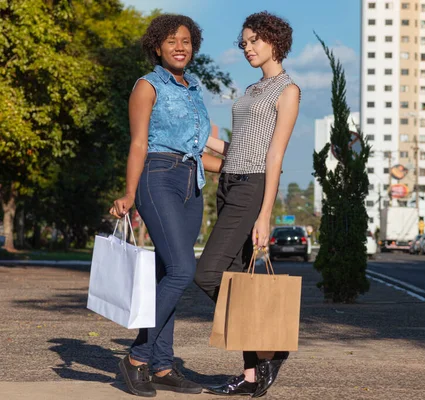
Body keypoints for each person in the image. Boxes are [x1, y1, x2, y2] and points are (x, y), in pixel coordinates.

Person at [109, 14, 223, 397]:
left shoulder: (193, 89)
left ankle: (162, 366)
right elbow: (140, 143)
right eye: (172, 40)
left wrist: (237, 169)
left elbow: (196, 152)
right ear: (157, 46)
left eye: (187, 41)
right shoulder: (147, 86)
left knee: (166, 274)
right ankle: (138, 357)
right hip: (157, 177)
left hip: (192, 184)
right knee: (182, 269)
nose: (181, 47)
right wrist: (128, 192)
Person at [194, 11, 301, 398]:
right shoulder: (252, 89)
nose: (248, 48)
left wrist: (266, 213)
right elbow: (236, 146)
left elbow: (275, 155)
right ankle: (252, 375)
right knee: (239, 280)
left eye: (254, 41)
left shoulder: (288, 91)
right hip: (228, 183)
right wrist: (199, 136)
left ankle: (273, 347)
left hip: (252, 187)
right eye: (243, 43)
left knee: (206, 273)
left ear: (274, 40)